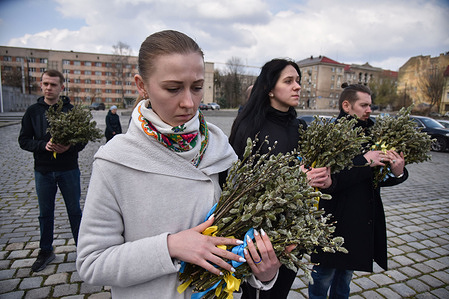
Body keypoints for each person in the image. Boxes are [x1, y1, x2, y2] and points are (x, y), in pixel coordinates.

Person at [76, 30, 281, 298]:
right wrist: (170, 247)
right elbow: (92, 263)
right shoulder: (115, 160)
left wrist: (262, 273)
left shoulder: (221, 150)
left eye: (196, 87)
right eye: (173, 88)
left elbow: (236, 244)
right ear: (142, 85)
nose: (189, 103)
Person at [229, 58, 332, 299]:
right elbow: (235, 187)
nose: (297, 86)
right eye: (288, 81)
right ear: (269, 88)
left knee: (279, 294)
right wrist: (295, 182)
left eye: (298, 81)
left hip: (295, 233)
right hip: (260, 236)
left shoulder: (300, 127)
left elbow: (308, 172)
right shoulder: (249, 127)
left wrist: (322, 177)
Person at [308, 83, 408, 298]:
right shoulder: (330, 135)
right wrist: (364, 162)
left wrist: (397, 172)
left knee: (345, 278)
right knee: (322, 276)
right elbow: (330, 181)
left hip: (361, 221)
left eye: (370, 105)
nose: (369, 110)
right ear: (347, 105)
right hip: (333, 220)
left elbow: (377, 180)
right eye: (364, 105)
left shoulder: (374, 135)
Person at [18, 70, 85, 272]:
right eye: (46, 84)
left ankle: (83, 249)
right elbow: (23, 140)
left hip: (68, 169)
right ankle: (46, 250)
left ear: (62, 87)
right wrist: (42, 146)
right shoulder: (33, 111)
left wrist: (69, 147)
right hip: (43, 171)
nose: (49, 88)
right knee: (45, 213)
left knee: (75, 211)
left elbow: (83, 139)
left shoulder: (71, 110)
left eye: (53, 85)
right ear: (41, 85)